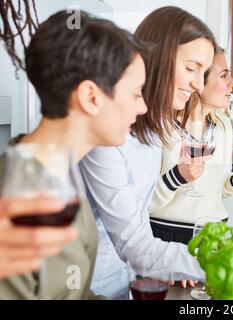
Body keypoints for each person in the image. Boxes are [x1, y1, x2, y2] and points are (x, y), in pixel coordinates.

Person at [80, 6, 233, 300]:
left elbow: (140, 235)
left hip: (124, 283)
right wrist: (229, 261)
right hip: (88, 285)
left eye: (202, 73)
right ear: (157, 58)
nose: (196, 83)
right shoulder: (110, 136)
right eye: (191, 69)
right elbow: (135, 244)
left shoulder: (154, 131)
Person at [0, 10, 148, 299]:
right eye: (136, 93)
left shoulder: (61, 173)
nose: (142, 108)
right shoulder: (20, 199)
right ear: (91, 97)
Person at [149, 47, 233, 244]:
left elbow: (218, 189)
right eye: (224, 75)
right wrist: (177, 177)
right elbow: (142, 203)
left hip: (214, 233)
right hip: (168, 236)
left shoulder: (222, 124)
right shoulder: (160, 125)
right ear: (198, 82)